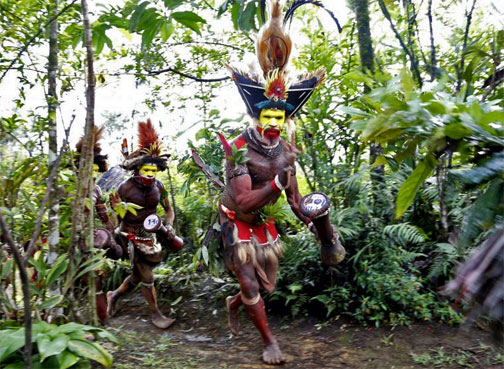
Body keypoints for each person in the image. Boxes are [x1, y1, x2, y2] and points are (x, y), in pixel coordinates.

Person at [218, 0, 344, 364]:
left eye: (279, 115)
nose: (273, 122)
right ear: (257, 118)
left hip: (262, 223)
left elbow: (293, 196)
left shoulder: (287, 149)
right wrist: (276, 186)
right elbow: (243, 202)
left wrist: (315, 221)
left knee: (266, 287)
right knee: (250, 283)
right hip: (235, 219)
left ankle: (237, 303)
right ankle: (269, 342)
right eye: (267, 115)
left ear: (285, 118)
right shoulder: (238, 150)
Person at [107, 119, 183, 329]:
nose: (150, 174)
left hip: (152, 235)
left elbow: (168, 209)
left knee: (137, 276)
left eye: (153, 170)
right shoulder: (125, 187)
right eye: (146, 169)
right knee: (147, 276)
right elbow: (118, 216)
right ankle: (156, 314)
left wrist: (168, 226)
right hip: (129, 234)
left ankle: (113, 295)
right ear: (138, 168)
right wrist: (117, 224)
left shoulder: (159, 186)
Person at [75, 125, 123, 323]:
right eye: (89, 170)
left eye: (96, 170)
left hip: (88, 242)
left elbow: (108, 224)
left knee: (96, 279)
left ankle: (100, 322)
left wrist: (117, 212)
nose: (93, 175)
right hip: (68, 240)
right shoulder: (67, 187)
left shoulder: (96, 190)